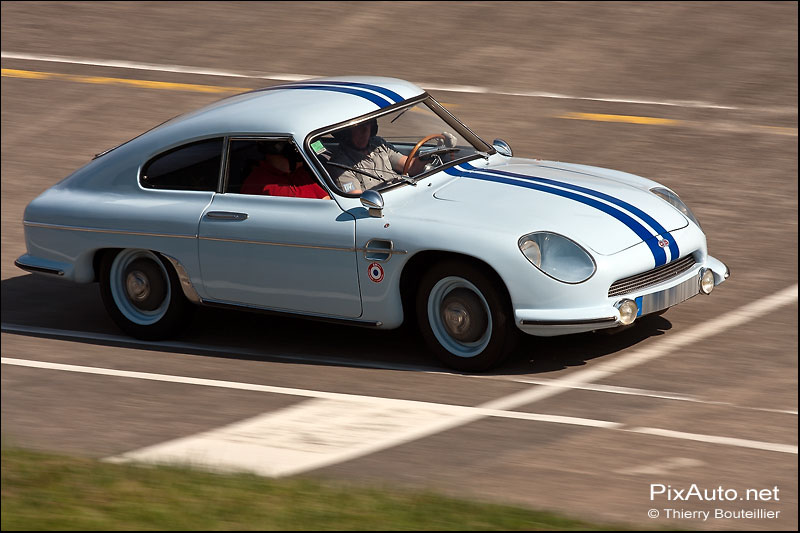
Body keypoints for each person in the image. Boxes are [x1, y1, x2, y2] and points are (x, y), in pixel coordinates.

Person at [327, 119, 456, 195]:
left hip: (409, 193)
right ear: (346, 133)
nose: (364, 131)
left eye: (367, 126)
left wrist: (439, 150)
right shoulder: (340, 165)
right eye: (358, 128)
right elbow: (357, 200)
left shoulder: (378, 144)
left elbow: (410, 166)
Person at [241, 142, 330, 199]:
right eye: (301, 156)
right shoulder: (258, 185)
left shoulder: (300, 173)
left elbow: (325, 199)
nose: (305, 161)